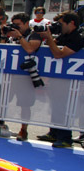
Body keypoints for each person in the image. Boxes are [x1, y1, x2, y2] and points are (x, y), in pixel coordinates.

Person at [36, 11, 84, 148]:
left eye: (61, 24)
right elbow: (54, 47)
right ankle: (54, 132)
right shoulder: (66, 35)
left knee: (65, 107)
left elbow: (59, 54)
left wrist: (49, 38)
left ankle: (65, 138)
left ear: (71, 23)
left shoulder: (78, 36)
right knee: (56, 105)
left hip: (74, 80)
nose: (60, 26)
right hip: (61, 78)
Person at [5, 12, 44, 141]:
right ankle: (0, 124)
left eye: (18, 25)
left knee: (25, 104)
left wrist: (20, 37)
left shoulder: (34, 35)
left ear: (27, 23)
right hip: (10, 74)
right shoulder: (11, 34)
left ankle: (24, 130)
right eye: (13, 24)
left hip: (26, 75)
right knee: (3, 101)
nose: (15, 27)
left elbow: (30, 49)